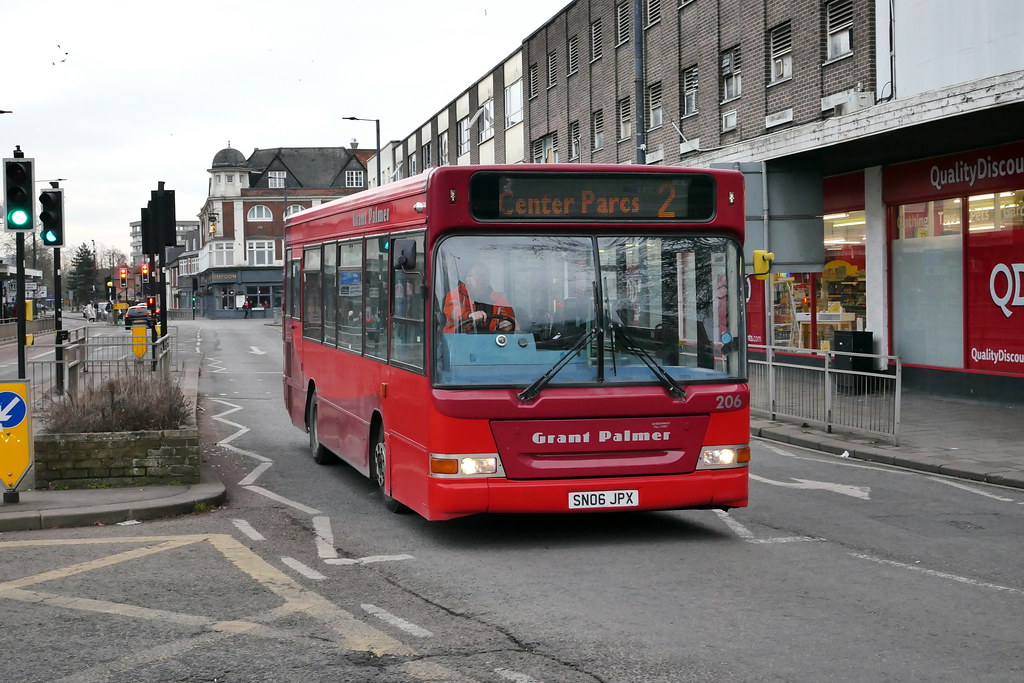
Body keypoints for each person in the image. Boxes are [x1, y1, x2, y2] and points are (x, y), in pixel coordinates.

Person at [443, 264, 516, 333]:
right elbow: (454, 310)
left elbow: (509, 323)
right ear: (468, 279)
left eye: (485, 276)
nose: (483, 279)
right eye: (478, 276)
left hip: (491, 342)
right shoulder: (455, 295)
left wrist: (511, 334)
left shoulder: (499, 299)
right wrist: (469, 315)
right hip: (458, 341)